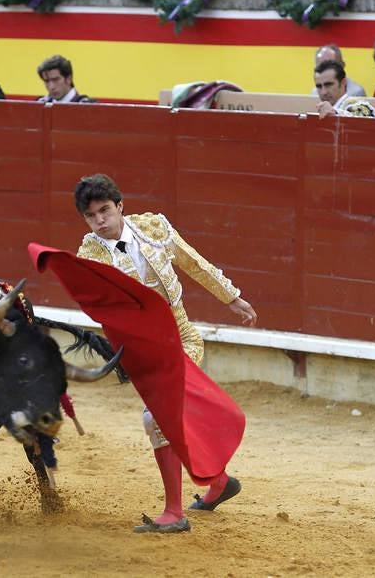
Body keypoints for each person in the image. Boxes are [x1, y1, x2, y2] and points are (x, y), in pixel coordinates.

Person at [73, 174, 257, 533]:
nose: (100, 221)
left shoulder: (154, 228)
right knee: (173, 421)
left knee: (155, 419)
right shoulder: (88, 254)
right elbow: (96, 308)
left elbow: (193, 262)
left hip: (182, 339)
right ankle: (218, 482)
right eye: (91, 215)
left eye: (105, 211)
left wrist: (231, 298)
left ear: (120, 206)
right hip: (144, 353)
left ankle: (174, 512)